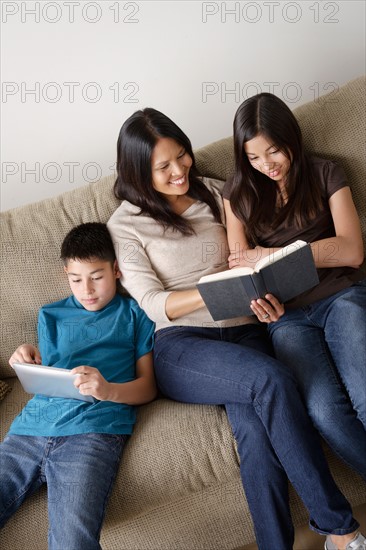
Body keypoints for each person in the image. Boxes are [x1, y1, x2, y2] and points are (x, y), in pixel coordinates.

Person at [106, 107, 365, 550]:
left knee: (257, 437)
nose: (178, 171)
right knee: (272, 378)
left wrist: (261, 290)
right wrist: (213, 293)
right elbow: (153, 305)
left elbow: (252, 250)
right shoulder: (124, 225)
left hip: (246, 331)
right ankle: (340, 529)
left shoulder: (215, 192)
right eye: (162, 167)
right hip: (183, 344)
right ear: (137, 172)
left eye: (182, 156)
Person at [223, 92, 366, 488]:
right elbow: (240, 269)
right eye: (253, 157)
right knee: (325, 412)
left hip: (341, 296)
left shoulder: (326, 173)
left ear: (292, 140)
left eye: (274, 152)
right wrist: (258, 305)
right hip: (286, 317)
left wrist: (272, 253)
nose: (266, 165)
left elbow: (352, 250)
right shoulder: (236, 196)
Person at [0, 222, 156, 550]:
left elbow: (148, 388)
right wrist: (28, 358)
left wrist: (108, 390)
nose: (86, 289)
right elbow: (49, 368)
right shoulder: (50, 314)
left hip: (93, 433)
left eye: (96, 277)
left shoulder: (135, 314)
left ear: (116, 270)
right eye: (75, 279)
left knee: (72, 542)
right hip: (29, 430)